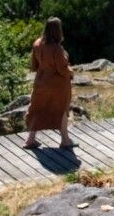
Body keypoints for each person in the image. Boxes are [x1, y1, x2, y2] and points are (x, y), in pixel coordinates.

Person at [23, 17, 76, 150]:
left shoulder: (37, 43)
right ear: (58, 30)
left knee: (37, 108)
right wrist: (71, 73)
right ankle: (65, 140)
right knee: (61, 109)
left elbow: (34, 65)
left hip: (41, 81)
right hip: (57, 85)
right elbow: (62, 69)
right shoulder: (56, 49)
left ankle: (30, 140)